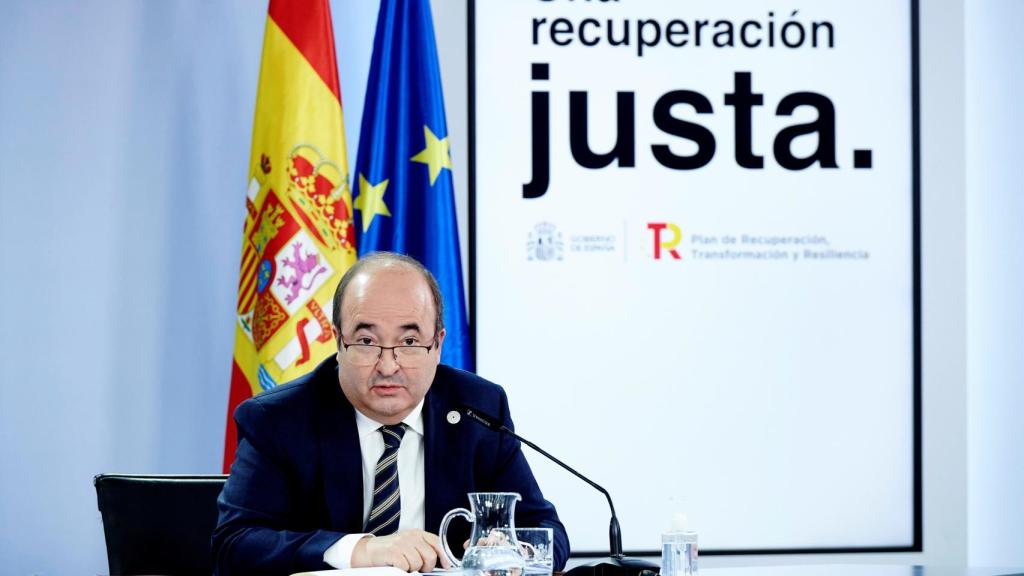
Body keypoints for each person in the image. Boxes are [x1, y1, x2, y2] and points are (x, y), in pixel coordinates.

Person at [213, 252, 569, 576]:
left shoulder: (478, 409)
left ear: (438, 344)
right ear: (338, 342)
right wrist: (363, 549)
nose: (388, 365)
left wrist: (514, 551)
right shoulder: (280, 420)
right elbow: (233, 546)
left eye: (410, 343)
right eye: (367, 341)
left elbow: (546, 531)